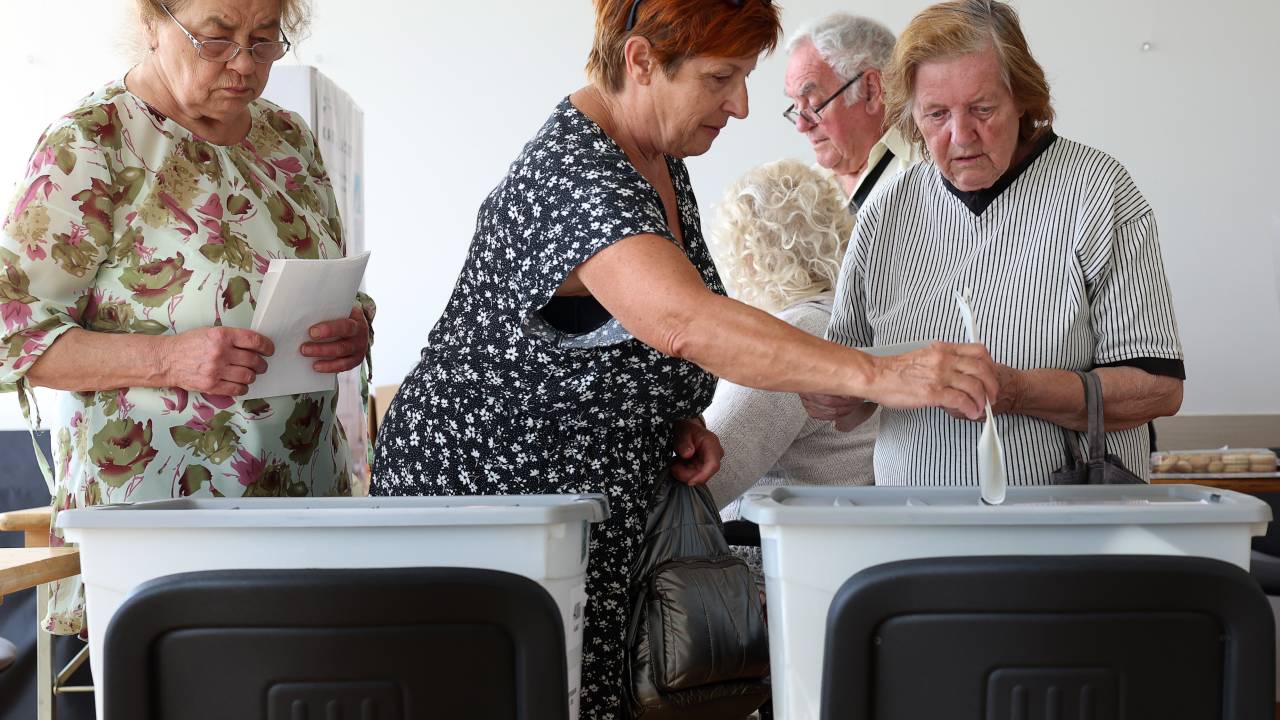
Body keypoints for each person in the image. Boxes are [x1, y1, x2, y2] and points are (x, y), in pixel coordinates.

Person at [372, 0, 1001, 715]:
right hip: (489, 509)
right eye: (720, 78)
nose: (740, 105)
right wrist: (883, 373)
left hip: (582, 516)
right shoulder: (574, 174)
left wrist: (665, 415)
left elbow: (617, 331)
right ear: (641, 61)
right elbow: (684, 321)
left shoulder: (657, 155)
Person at [0, 0, 373, 635]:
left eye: (264, 40)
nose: (243, 64)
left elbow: (331, 273)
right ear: (152, 23)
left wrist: (354, 323)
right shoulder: (93, 142)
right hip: (159, 512)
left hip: (303, 494)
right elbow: (15, 335)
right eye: (216, 39)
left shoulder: (287, 137)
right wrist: (167, 359)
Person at [805, 0, 1184, 486]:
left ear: (1021, 97)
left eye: (982, 109)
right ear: (911, 115)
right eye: (936, 114)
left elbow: (1158, 389)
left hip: (1064, 520)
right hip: (913, 521)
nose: (961, 135)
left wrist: (1018, 391)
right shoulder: (885, 214)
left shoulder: (1098, 191)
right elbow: (848, 392)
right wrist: (831, 393)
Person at [704, 158, 874, 517]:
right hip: (837, 535)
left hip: (775, 543)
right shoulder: (845, 320)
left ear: (748, 257)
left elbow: (709, 476)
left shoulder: (795, 334)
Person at [783, 13, 919, 214]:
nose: (801, 126)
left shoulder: (929, 171)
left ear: (871, 90)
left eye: (814, 104)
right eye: (796, 106)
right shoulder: (806, 190)